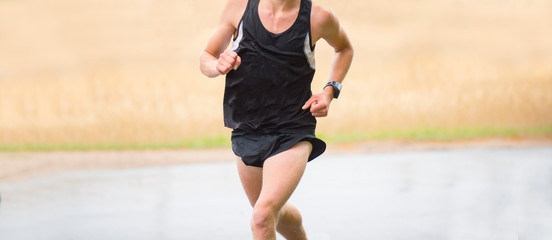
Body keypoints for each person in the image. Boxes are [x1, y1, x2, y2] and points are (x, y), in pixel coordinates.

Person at [199, 0, 352, 239]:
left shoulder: (318, 17)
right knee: (268, 213)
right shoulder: (237, 8)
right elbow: (207, 56)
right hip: (247, 126)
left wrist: (329, 91)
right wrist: (217, 65)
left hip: (293, 128)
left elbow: (344, 48)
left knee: (261, 217)